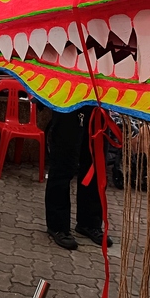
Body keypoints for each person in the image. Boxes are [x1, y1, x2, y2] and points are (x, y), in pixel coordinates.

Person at [44, 106, 112, 250]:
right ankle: (58, 226)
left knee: (95, 165)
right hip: (69, 104)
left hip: (98, 105)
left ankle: (89, 223)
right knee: (63, 164)